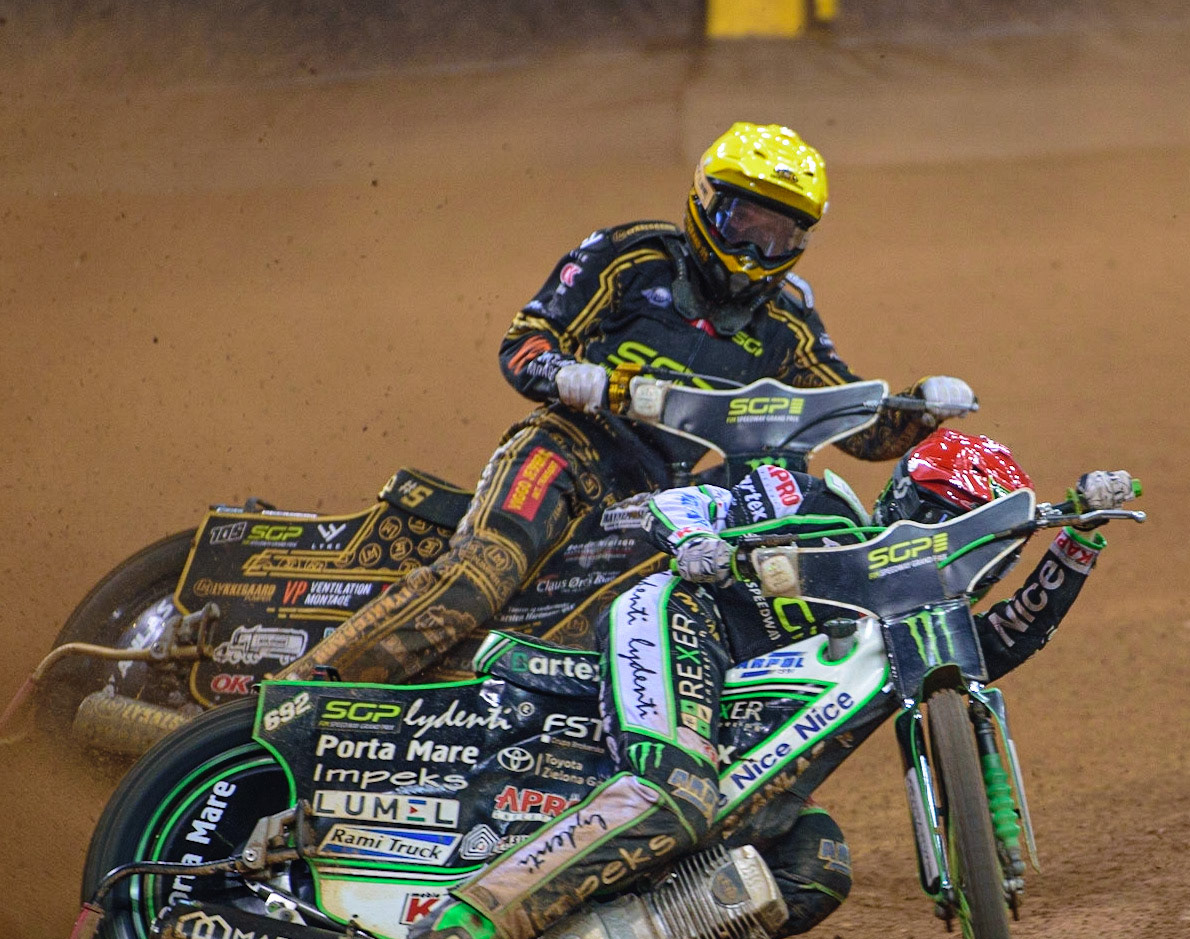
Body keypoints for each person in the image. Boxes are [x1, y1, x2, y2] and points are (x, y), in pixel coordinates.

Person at [388, 430, 1140, 939]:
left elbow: (1001, 641)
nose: (950, 541)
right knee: (673, 793)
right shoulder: (813, 498)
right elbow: (692, 498)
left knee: (815, 863)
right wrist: (692, 537)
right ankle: (463, 929)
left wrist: (1076, 543)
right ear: (901, 497)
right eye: (938, 512)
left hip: (741, 746)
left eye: (976, 533)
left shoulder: (922, 630)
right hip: (683, 622)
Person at [279, 121, 972, 685]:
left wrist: (920, 413)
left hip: (657, 499)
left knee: (637, 633)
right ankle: (294, 695)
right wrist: (564, 375)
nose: (754, 249)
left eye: (777, 235)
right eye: (741, 222)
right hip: (564, 450)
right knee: (482, 572)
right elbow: (524, 342)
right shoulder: (630, 257)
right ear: (704, 204)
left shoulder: (786, 326)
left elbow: (854, 427)